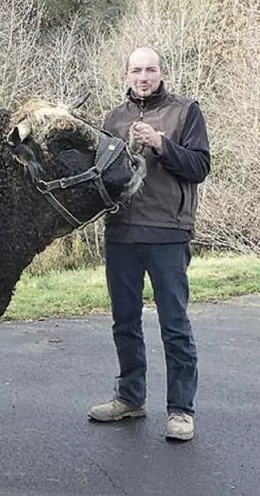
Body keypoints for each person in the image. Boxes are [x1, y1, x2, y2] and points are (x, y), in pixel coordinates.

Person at [87, 47, 211, 441]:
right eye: (136, 70)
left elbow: (200, 167)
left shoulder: (186, 111)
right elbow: (100, 178)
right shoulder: (114, 118)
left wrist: (161, 143)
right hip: (121, 233)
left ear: (162, 73)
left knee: (173, 325)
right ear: (126, 74)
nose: (144, 76)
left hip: (167, 233)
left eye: (150, 70)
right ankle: (129, 398)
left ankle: (180, 410)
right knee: (124, 322)